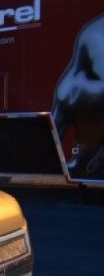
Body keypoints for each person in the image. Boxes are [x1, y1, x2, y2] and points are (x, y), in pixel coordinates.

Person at [52, 14, 104, 179]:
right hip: (78, 94)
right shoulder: (96, 32)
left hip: (73, 92)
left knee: (81, 161)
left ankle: (84, 163)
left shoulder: (94, 30)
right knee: (81, 159)